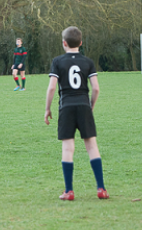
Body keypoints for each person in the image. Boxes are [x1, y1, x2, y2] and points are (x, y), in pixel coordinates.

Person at [44, 26, 109, 201]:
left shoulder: (57, 61)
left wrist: (47, 109)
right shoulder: (88, 62)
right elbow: (95, 88)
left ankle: (69, 191)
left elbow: (51, 87)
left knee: (67, 148)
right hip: (83, 106)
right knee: (92, 147)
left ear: (64, 43)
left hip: (66, 107)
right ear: (80, 43)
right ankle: (101, 189)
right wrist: (91, 106)